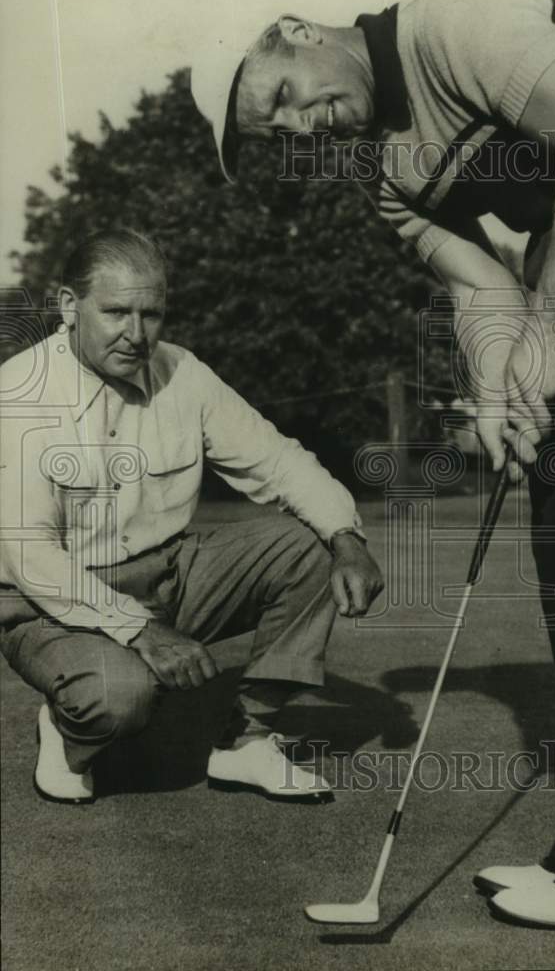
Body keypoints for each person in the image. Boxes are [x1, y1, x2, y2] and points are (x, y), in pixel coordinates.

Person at [190, 0, 555, 929]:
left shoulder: (456, 23)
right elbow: (476, 288)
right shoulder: (382, 172)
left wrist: (553, 324)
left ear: (295, 34)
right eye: (279, 137)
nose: (302, 128)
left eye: (282, 97)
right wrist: (498, 383)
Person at [0, 228, 383, 806]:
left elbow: (277, 460)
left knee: (311, 546)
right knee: (117, 697)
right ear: (67, 307)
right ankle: (67, 725)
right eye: (116, 312)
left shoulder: (183, 372)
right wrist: (142, 631)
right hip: (49, 604)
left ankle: (246, 741)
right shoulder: (17, 396)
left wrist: (345, 535)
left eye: (151, 313)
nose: (136, 334)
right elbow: (33, 559)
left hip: (171, 573)